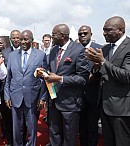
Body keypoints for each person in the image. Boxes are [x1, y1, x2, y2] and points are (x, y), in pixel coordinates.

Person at [85, 16, 130, 146]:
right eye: (104, 30)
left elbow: (127, 76)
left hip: (121, 108)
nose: (104, 33)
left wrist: (103, 62)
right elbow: (101, 73)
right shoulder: (105, 49)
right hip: (104, 105)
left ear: (120, 30)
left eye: (108, 30)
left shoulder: (128, 47)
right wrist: (96, 65)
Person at [45, 24, 90, 146]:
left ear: (62, 35)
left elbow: (82, 78)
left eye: (53, 34)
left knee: (69, 138)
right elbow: (52, 70)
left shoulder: (78, 50)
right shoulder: (54, 50)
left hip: (70, 104)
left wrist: (60, 79)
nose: (51, 36)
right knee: (54, 136)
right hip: (54, 101)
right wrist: (45, 74)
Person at [4, 30, 47, 146]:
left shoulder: (40, 55)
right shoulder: (12, 56)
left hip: (32, 97)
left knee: (32, 128)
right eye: (21, 39)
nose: (22, 41)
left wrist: (43, 98)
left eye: (25, 39)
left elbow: (44, 79)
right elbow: (8, 77)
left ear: (32, 40)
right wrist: (7, 96)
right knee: (17, 129)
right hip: (15, 97)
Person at [78, 25, 102, 146]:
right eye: (80, 34)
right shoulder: (75, 49)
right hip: (77, 96)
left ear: (91, 34)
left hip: (93, 95)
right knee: (81, 128)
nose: (82, 35)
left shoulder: (100, 49)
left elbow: (104, 70)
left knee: (92, 128)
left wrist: (95, 74)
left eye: (85, 33)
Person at [1, 29, 21, 146]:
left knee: (20, 120)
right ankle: (9, 141)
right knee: (7, 119)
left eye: (18, 37)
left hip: (22, 91)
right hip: (8, 90)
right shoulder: (5, 52)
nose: (16, 40)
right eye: (13, 38)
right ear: (10, 39)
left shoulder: (26, 51)